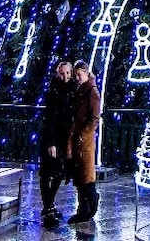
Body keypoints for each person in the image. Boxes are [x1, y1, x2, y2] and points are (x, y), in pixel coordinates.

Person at [39, 61, 76, 224]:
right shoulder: (53, 92)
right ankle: (48, 207)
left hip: (64, 138)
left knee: (60, 172)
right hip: (52, 137)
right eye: (63, 73)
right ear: (57, 74)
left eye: (68, 73)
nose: (65, 76)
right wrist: (51, 142)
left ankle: (49, 204)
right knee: (47, 173)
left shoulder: (73, 90)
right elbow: (50, 119)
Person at [66, 60, 101, 225]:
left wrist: (83, 133)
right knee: (80, 175)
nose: (77, 78)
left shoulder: (92, 92)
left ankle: (89, 206)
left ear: (87, 73)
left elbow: (95, 118)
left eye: (80, 74)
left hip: (84, 140)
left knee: (86, 175)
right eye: (76, 75)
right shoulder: (80, 91)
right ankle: (84, 207)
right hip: (77, 137)